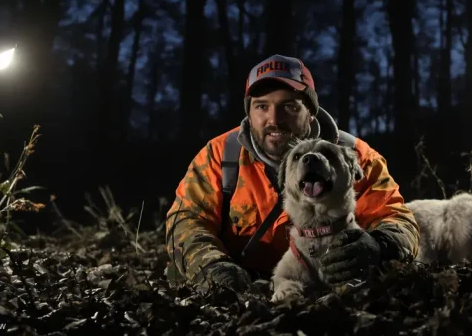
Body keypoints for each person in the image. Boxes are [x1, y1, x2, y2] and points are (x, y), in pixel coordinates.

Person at [165, 54, 420, 292]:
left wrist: (379, 246)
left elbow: (398, 219)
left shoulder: (356, 157)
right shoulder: (220, 156)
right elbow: (186, 220)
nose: (274, 119)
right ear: (249, 113)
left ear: (310, 113)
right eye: (262, 107)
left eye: (289, 107)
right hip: (243, 289)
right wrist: (213, 267)